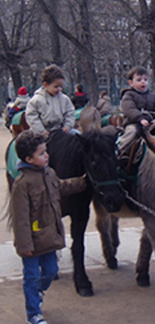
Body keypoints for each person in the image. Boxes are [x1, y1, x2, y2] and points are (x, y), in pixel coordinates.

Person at [11, 130, 87, 324]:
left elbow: (61, 187)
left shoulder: (49, 173)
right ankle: (33, 313)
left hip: (49, 237)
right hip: (32, 240)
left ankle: (37, 292)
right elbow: (20, 219)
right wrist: (24, 245)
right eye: (42, 153)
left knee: (51, 271)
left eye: (46, 151)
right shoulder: (22, 185)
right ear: (29, 158)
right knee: (31, 276)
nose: (47, 156)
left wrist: (82, 182)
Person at [119, 66, 155, 157]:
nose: (143, 82)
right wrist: (140, 118)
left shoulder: (152, 96)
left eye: (145, 79)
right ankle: (122, 153)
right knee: (131, 133)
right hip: (134, 123)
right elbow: (129, 109)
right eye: (139, 80)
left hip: (151, 123)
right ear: (131, 83)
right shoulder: (128, 95)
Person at [26, 64, 75, 138]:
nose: (59, 89)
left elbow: (70, 113)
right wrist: (42, 131)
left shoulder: (65, 99)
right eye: (56, 87)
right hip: (42, 133)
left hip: (61, 131)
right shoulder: (36, 100)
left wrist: (67, 126)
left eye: (61, 86)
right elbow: (32, 117)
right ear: (45, 85)